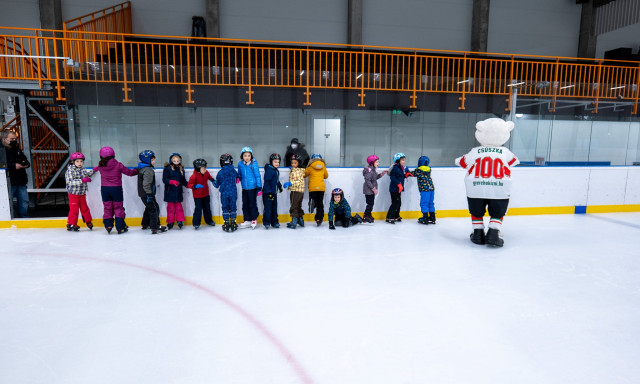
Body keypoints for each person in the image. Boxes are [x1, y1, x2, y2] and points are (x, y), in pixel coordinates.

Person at [455, 117, 519, 247]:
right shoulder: (505, 152)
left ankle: (478, 234)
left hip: (475, 187)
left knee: (476, 211)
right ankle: (493, 233)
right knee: (498, 211)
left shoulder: (475, 151)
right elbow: (514, 161)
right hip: (499, 187)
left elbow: (461, 162)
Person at [94, 146, 138, 234]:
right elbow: (129, 173)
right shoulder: (118, 165)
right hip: (116, 189)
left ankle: (108, 225)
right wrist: (137, 170)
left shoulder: (100, 166)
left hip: (105, 190)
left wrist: (94, 169)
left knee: (107, 208)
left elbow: (96, 168)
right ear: (113, 155)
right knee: (118, 208)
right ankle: (120, 227)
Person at [2, 130, 30, 217]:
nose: (14, 140)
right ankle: (10, 218)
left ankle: (24, 217)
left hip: (21, 180)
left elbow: (25, 161)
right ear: (4, 139)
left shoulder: (16, 149)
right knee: (8, 202)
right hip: (8, 181)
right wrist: (13, 166)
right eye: (12, 139)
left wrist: (24, 164)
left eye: (15, 139)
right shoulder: (1, 150)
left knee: (24, 201)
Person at [137, 150, 167, 234]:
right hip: (147, 194)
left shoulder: (142, 168)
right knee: (154, 208)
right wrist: (149, 194)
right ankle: (155, 226)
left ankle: (145, 224)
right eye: (152, 160)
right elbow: (146, 184)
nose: (154, 161)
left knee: (149, 208)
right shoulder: (148, 170)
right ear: (147, 160)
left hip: (143, 194)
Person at [64, 152, 94, 231]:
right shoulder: (70, 171)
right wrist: (82, 180)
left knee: (85, 208)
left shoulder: (82, 169)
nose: (80, 163)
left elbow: (87, 175)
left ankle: (88, 221)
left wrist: (94, 170)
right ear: (73, 162)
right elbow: (70, 182)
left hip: (82, 193)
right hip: (73, 193)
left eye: (81, 161)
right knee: (74, 209)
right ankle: (71, 224)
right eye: (77, 161)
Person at [187, 158, 216, 230]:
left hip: (206, 194)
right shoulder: (194, 176)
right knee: (198, 209)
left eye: (205, 168)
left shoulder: (206, 173)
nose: (205, 170)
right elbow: (189, 184)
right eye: (203, 168)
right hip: (197, 196)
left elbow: (209, 177)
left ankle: (209, 221)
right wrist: (195, 186)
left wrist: (213, 180)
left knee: (207, 208)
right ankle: (196, 223)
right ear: (198, 169)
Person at [237, 146, 262, 229]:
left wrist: (259, 187)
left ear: (251, 156)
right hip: (244, 188)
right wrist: (238, 177)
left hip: (253, 188)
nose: (247, 157)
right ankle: (247, 219)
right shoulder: (240, 164)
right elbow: (239, 173)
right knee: (245, 204)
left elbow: (257, 176)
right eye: (245, 155)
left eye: (248, 155)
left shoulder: (254, 164)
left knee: (252, 204)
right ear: (242, 156)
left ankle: (254, 219)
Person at [162, 153, 188, 229]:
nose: (176, 162)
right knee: (170, 208)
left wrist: (189, 185)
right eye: (174, 161)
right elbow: (164, 179)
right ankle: (170, 221)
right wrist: (172, 182)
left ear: (180, 161)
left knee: (179, 208)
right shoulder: (167, 169)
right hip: (170, 192)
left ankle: (180, 221)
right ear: (171, 161)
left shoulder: (181, 169)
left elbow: (183, 180)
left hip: (178, 192)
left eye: (177, 161)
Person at [215, 153, 240, 232]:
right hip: (233, 192)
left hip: (224, 193)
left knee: (225, 207)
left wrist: (213, 181)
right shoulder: (233, 171)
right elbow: (238, 178)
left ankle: (226, 222)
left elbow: (217, 184)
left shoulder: (220, 172)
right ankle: (233, 222)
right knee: (233, 207)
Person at [386, 152, 412, 224]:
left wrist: (406, 176)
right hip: (394, 189)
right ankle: (389, 217)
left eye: (404, 160)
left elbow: (400, 177)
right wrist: (399, 184)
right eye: (402, 160)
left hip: (398, 189)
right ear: (398, 160)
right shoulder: (395, 168)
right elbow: (393, 177)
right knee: (395, 203)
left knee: (399, 203)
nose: (404, 161)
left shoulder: (400, 168)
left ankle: (396, 215)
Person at [362, 154, 387, 223]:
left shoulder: (373, 170)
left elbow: (375, 178)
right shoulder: (369, 170)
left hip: (371, 191)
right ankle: (366, 216)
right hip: (368, 190)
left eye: (378, 162)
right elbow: (368, 181)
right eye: (377, 162)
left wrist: (381, 174)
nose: (378, 163)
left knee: (371, 203)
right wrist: (374, 189)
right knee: (370, 204)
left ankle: (368, 214)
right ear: (372, 163)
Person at [305, 153, 328, 226]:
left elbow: (304, 174)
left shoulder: (310, 166)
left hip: (312, 188)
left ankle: (312, 202)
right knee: (320, 203)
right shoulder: (323, 166)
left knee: (314, 199)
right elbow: (326, 176)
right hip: (321, 188)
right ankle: (319, 219)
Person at [413, 156, 436, 224]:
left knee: (424, 203)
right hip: (431, 188)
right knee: (431, 203)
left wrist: (406, 170)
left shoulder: (419, 170)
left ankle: (425, 217)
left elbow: (412, 174)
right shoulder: (429, 170)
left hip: (424, 189)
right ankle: (432, 217)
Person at [283, 154, 305, 229]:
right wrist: (292, 170)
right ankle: (300, 220)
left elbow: (299, 181)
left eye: (295, 163)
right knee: (298, 206)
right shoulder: (299, 170)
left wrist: (291, 183)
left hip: (295, 191)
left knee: (293, 206)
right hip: (300, 191)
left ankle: (294, 222)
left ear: (299, 163)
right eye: (292, 163)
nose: (293, 164)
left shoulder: (297, 171)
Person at [262, 153, 283, 229]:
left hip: (274, 193)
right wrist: (269, 193)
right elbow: (267, 182)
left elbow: (276, 180)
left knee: (274, 208)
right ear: (271, 162)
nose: (277, 163)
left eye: (278, 162)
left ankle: (274, 222)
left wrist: (279, 185)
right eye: (275, 162)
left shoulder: (275, 170)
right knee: (268, 208)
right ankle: (266, 222)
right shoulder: (269, 170)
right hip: (268, 194)